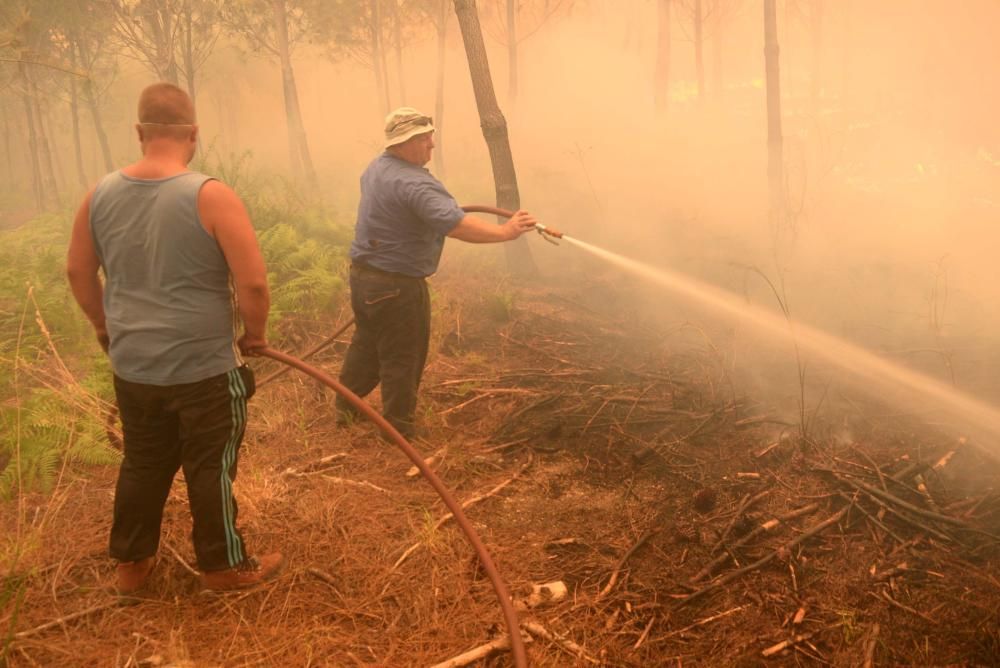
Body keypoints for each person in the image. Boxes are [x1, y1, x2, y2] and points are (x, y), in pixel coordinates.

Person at [66, 82, 282, 594]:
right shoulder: (211, 195)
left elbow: (78, 272)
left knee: (142, 461)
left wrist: (104, 327)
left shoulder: (99, 195)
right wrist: (254, 335)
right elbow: (252, 282)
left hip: (134, 367)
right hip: (204, 369)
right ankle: (223, 568)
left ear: (140, 132)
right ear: (194, 133)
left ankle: (132, 568)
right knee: (209, 467)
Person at [336, 106, 538, 439]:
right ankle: (398, 429)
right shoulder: (415, 184)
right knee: (403, 355)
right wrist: (506, 233)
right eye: (425, 140)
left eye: (431, 138)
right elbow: (457, 225)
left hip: (363, 278)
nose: (432, 145)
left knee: (367, 344)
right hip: (397, 286)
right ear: (406, 143)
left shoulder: (377, 168)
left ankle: (344, 407)